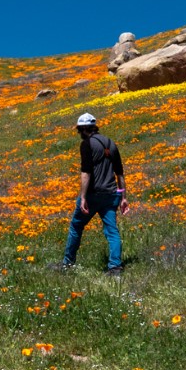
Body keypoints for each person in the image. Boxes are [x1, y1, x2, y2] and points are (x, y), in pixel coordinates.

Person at [61, 113, 129, 275]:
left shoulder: (87, 144)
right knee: (112, 231)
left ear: (84, 129)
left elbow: (86, 172)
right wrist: (124, 197)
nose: (79, 134)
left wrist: (83, 196)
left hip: (93, 194)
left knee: (76, 226)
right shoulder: (111, 143)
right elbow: (120, 173)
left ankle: (67, 263)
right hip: (112, 194)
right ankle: (115, 267)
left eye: (79, 130)